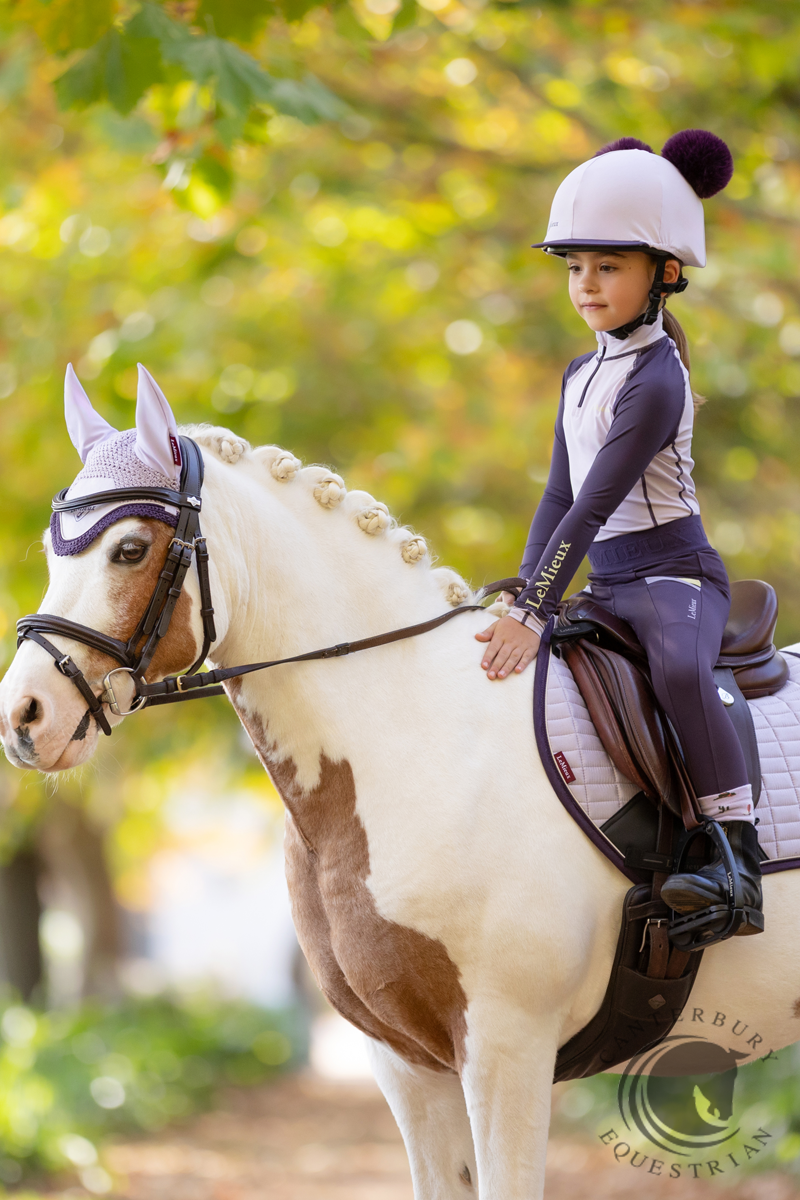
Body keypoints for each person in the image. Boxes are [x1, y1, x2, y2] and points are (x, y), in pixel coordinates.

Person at [476, 131, 763, 935]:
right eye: (576, 267)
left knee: (677, 670)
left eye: (608, 267)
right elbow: (558, 494)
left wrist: (535, 610)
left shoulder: (659, 376)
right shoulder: (581, 373)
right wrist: (523, 591)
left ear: (663, 274)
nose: (586, 284)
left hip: (674, 576)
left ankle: (737, 862)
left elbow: (596, 502)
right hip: (607, 580)